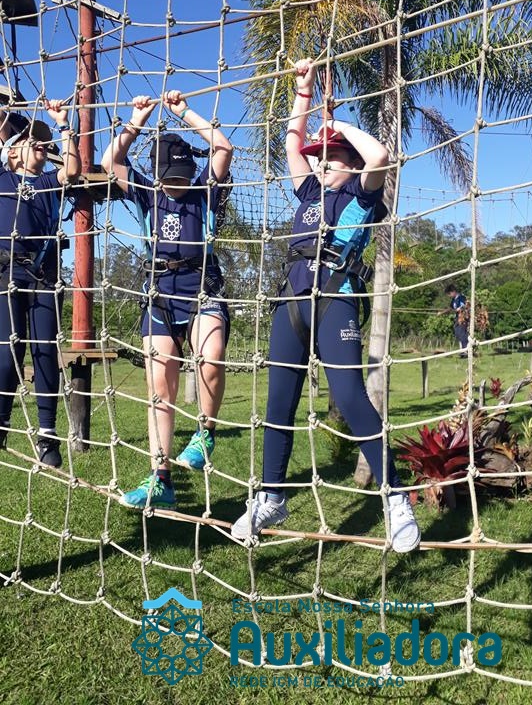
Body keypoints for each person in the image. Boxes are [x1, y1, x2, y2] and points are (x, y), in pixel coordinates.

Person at [231, 58, 420, 553]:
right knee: (278, 404)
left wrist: (339, 128)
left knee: (351, 396)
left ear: (350, 165)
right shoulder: (309, 191)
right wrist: (304, 89)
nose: (321, 164)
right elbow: (291, 143)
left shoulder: (361, 193)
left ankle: (395, 498)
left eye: (331, 158)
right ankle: (271, 497)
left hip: (336, 297)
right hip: (291, 302)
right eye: (321, 159)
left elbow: (379, 156)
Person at [101, 91, 232, 509]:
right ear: (157, 175)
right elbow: (110, 161)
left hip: (202, 286)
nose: (176, 181)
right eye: (169, 175)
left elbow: (224, 147)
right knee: (160, 386)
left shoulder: (203, 193)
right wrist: (137, 118)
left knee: (210, 357)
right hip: (159, 293)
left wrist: (183, 112)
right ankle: (161, 480)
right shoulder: (146, 193)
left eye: (182, 174)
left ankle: (205, 433)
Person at [0, 100, 81, 467]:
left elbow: (72, 169)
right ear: (11, 149)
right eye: (29, 140)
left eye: (43, 143)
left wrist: (63, 125)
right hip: (6, 274)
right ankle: (2, 421)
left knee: (46, 351)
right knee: (8, 353)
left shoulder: (49, 181)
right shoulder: (2, 178)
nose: (39, 145)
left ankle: (47, 435)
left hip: (43, 275)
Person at [439, 283, 469, 357]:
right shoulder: (453, 300)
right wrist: (441, 313)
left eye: (449, 294)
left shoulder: (461, 297)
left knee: (462, 333)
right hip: (457, 319)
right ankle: (463, 349)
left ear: (453, 291)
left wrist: (458, 309)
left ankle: (466, 350)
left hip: (463, 318)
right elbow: (450, 308)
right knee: (457, 333)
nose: (449, 296)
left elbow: (464, 306)